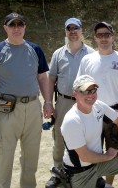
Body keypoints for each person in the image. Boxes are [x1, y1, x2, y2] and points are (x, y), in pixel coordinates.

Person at [0, 12, 53, 188]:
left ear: (25, 27)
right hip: (8, 110)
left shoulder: (35, 49)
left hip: (33, 108)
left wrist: (48, 101)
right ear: (5, 27)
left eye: (20, 25)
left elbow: (43, 77)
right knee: (4, 157)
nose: (16, 28)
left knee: (31, 157)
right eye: (12, 25)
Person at [77, 22, 118, 188]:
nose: (104, 38)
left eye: (107, 34)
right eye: (100, 35)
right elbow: (79, 86)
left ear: (113, 36)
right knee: (93, 153)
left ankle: (108, 185)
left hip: (116, 114)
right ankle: (95, 183)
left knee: (116, 153)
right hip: (92, 114)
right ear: (95, 38)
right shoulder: (87, 59)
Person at [61, 74, 118, 188]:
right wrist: (107, 156)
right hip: (80, 173)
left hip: (98, 164)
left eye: (93, 90)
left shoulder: (98, 106)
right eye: (85, 91)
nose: (91, 95)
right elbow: (85, 157)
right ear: (75, 94)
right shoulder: (72, 120)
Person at [46, 17, 95, 188]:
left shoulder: (91, 54)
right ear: (65, 31)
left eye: (76, 28)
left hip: (86, 103)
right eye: (69, 28)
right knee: (59, 138)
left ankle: (89, 173)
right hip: (64, 102)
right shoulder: (58, 54)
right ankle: (58, 172)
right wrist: (47, 102)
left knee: (87, 137)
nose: (73, 31)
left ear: (82, 31)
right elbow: (51, 80)